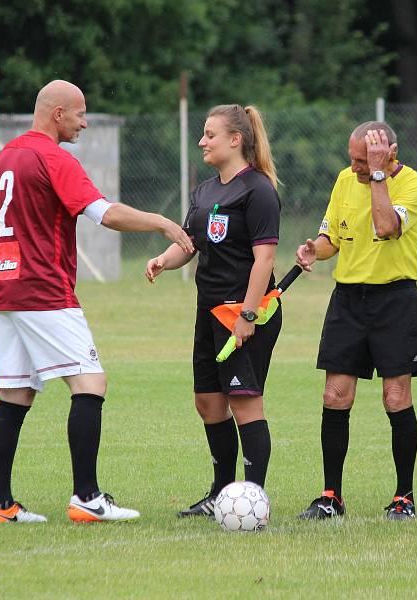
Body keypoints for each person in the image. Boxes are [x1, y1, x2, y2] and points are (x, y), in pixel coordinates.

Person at [0, 80, 194, 524]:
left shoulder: (5, 156)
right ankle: (86, 497)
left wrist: (0, 277)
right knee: (90, 383)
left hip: (5, 289)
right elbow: (105, 213)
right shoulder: (53, 157)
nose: (84, 121)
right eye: (80, 113)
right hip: (44, 290)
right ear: (57, 113)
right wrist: (161, 223)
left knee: (17, 393)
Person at [295, 121, 417, 521]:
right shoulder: (345, 180)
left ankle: (403, 497)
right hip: (348, 301)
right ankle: (331, 496)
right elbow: (331, 239)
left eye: (362, 160)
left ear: (388, 154)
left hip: (395, 299)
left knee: (396, 398)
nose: (354, 167)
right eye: (353, 159)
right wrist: (314, 250)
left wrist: (377, 176)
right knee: (334, 397)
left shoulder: (413, 184)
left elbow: (386, 226)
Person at [145, 104, 282, 518]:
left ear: (235, 140)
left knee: (244, 402)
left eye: (210, 135)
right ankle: (220, 493)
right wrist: (163, 260)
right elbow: (189, 242)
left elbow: (264, 259)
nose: (202, 142)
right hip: (209, 313)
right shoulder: (204, 192)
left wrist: (249, 315)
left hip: (243, 314)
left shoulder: (257, 189)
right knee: (208, 402)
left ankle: (252, 499)